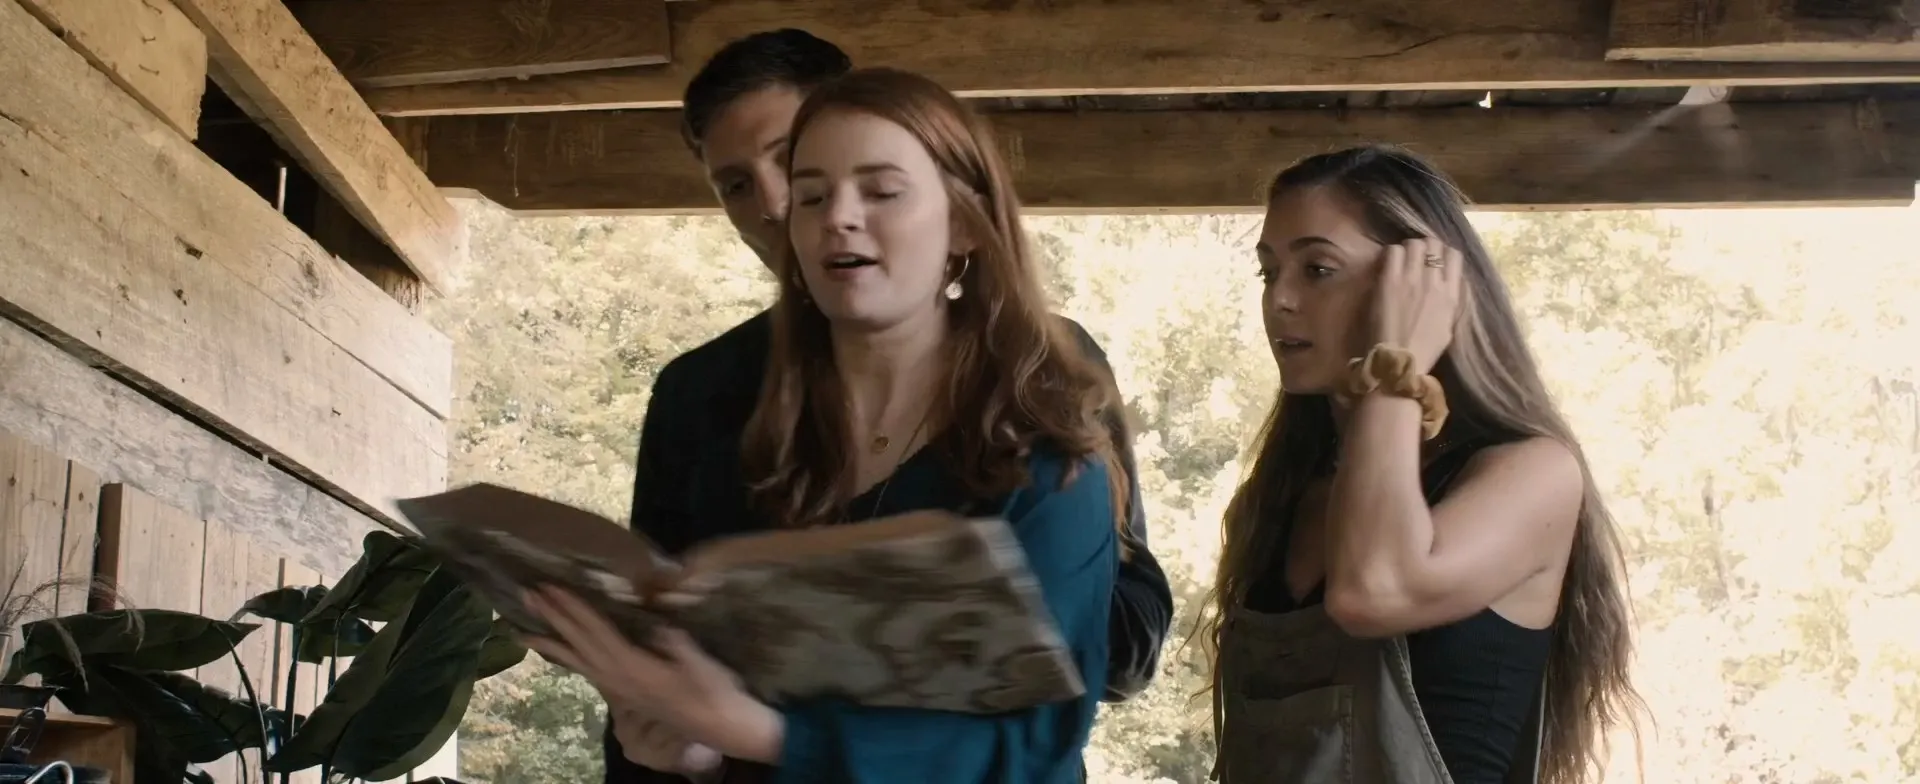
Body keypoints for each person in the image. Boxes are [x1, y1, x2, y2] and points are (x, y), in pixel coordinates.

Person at [592, 27, 1172, 783]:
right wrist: (683, 748)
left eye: (878, 188)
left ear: (963, 220)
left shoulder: (1047, 410)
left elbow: (1054, 720)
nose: (783, 207)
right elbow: (665, 685)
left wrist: (801, 711)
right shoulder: (700, 396)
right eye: (806, 192)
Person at [1196, 145, 1643, 784]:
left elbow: (1373, 592)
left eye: (1318, 269)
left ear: (1423, 286)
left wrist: (1395, 362)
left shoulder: (1535, 472)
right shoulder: (1279, 494)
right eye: (1269, 273)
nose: (1281, 300)